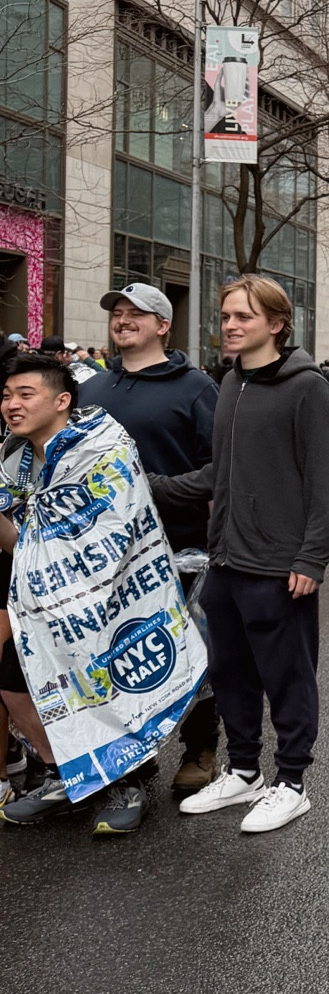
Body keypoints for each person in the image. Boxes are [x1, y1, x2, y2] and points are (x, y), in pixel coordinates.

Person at [150, 276, 329, 834]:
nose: (230, 325)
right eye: (227, 316)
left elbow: (327, 483)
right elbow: (224, 472)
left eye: (243, 317)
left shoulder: (306, 387)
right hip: (227, 562)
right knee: (230, 673)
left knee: (287, 675)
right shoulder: (231, 382)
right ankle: (242, 772)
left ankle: (291, 782)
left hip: (279, 566)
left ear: (277, 324)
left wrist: (311, 560)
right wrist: (158, 485)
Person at [0, 354, 206, 835]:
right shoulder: (14, 460)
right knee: (13, 682)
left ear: (62, 400)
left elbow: (121, 527)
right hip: (42, 604)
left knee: (104, 682)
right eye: (7, 396)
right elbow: (20, 543)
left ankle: (126, 782)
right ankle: (65, 775)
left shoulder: (103, 446)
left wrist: (84, 590)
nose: (12, 404)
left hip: (115, 598)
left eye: (25, 394)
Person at [76, 281, 223, 802]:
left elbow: (218, 469)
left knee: (187, 653)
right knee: (119, 657)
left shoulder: (196, 387)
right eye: (117, 312)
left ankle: (200, 749)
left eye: (137, 313)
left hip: (179, 548)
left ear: (163, 325)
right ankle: (134, 756)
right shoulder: (91, 389)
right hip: (101, 554)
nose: (123, 319)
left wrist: (162, 492)